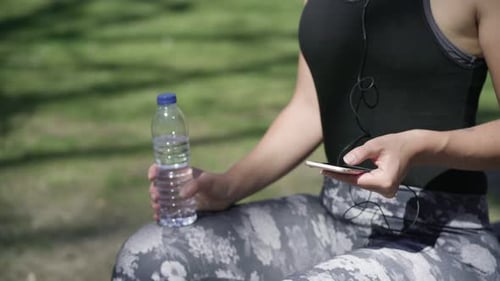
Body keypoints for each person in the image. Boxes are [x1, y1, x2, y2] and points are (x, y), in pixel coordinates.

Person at [111, 0, 500, 279]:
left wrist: (421, 146)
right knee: (149, 255)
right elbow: (309, 107)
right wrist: (227, 186)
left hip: (444, 235)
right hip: (331, 216)